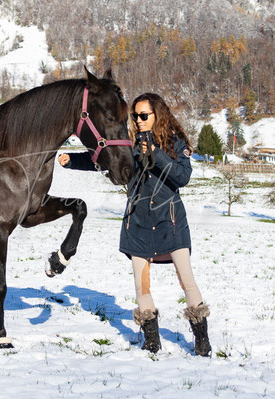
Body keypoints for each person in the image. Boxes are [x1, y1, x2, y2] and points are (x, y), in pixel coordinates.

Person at [58, 93, 211, 356]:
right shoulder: (129, 144)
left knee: (187, 280)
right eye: (135, 116)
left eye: (144, 115)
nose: (138, 120)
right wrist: (72, 161)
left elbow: (182, 177)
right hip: (138, 222)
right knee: (142, 285)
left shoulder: (176, 143)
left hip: (170, 221)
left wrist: (155, 153)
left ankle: (202, 342)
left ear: (157, 115)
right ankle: (152, 341)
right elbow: (104, 160)